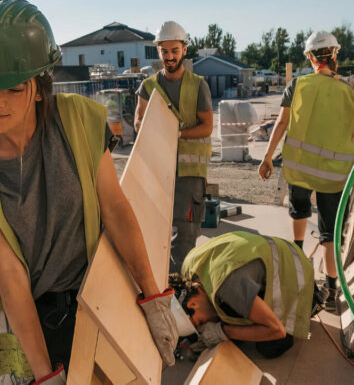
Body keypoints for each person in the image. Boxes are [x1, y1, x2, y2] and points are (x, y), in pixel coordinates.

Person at [0, 0, 178, 385]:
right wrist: (44, 375)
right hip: (31, 327)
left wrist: (153, 298)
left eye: (12, 89)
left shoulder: (79, 121)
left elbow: (115, 209)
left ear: (38, 87)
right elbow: (10, 276)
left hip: (101, 295)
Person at [258, 31, 354, 311]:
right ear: (335, 55)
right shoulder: (349, 92)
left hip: (298, 171)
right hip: (334, 177)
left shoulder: (297, 85)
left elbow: (281, 123)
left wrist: (267, 157)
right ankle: (332, 290)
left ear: (311, 58)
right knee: (330, 233)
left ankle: (298, 263)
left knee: (299, 212)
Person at [134, 21, 213, 273]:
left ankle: (179, 289)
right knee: (154, 231)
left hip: (189, 174)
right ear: (158, 51)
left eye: (174, 51)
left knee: (185, 235)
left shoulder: (198, 84)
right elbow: (138, 122)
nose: (169, 57)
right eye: (164, 51)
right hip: (158, 170)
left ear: (184, 50)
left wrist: (175, 134)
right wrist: (155, 132)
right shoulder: (148, 86)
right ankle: (161, 283)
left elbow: (207, 126)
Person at [169, 231, 316, 359]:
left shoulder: (228, 287)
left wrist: (223, 332)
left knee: (270, 347)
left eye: (200, 322)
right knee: (227, 314)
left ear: (193, 303)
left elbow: (277, 330)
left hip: (296, 272)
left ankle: (314, 300)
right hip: (271, 251)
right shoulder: (189, 267)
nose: (205, 326)